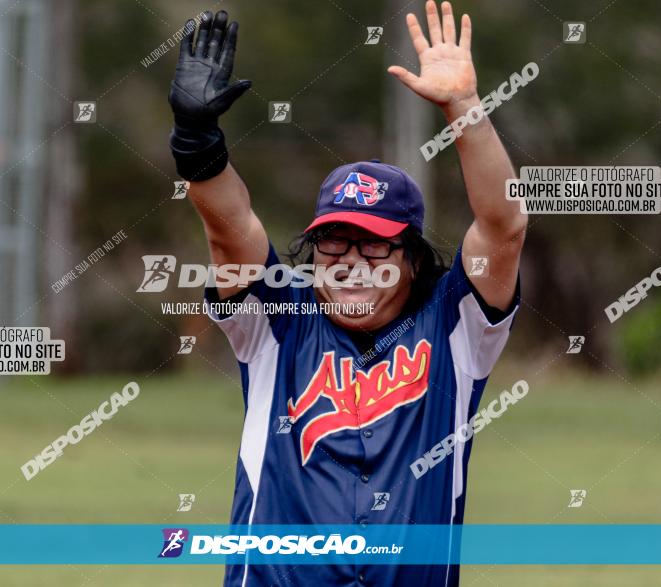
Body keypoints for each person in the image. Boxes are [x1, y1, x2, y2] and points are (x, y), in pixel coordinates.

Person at [167, 2, 527, 585]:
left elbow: (503, 227)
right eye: (333, 244)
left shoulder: (455, 328)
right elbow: (230, 232)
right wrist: (196, 141)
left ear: (413, 258)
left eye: (375, 245)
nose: (352, 264)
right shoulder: (277, 324)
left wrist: (463, 108)